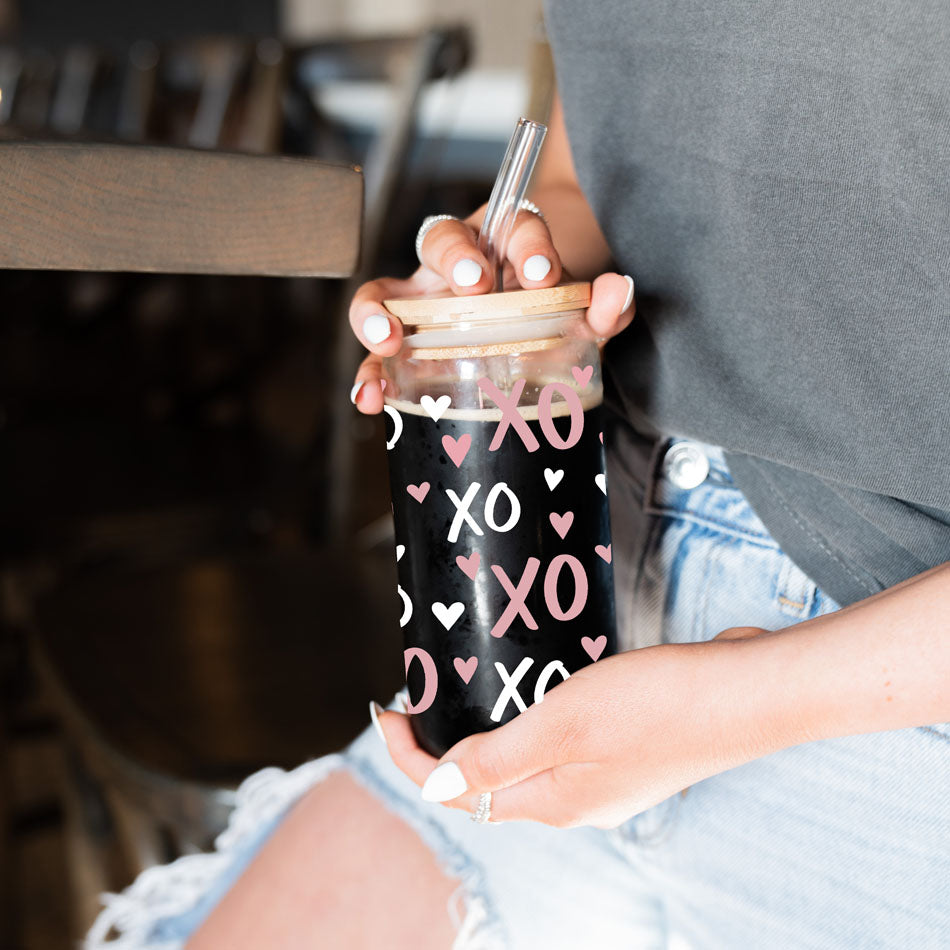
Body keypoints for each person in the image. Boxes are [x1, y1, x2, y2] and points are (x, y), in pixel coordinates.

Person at [88, 3, 950, 947]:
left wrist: (744, 703)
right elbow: (584, 180)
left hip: (886, 680)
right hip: (571, 588)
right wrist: (503, 280)